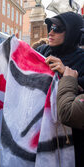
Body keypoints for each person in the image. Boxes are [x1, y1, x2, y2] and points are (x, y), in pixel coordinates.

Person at [36, 12, 84, 167]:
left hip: (71, 138)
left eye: (57, 28)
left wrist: (66, 74)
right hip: (40, 129)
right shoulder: (43, 51)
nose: (50, 32)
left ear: (71, 33)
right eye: (50, 26)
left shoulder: (82, 59)